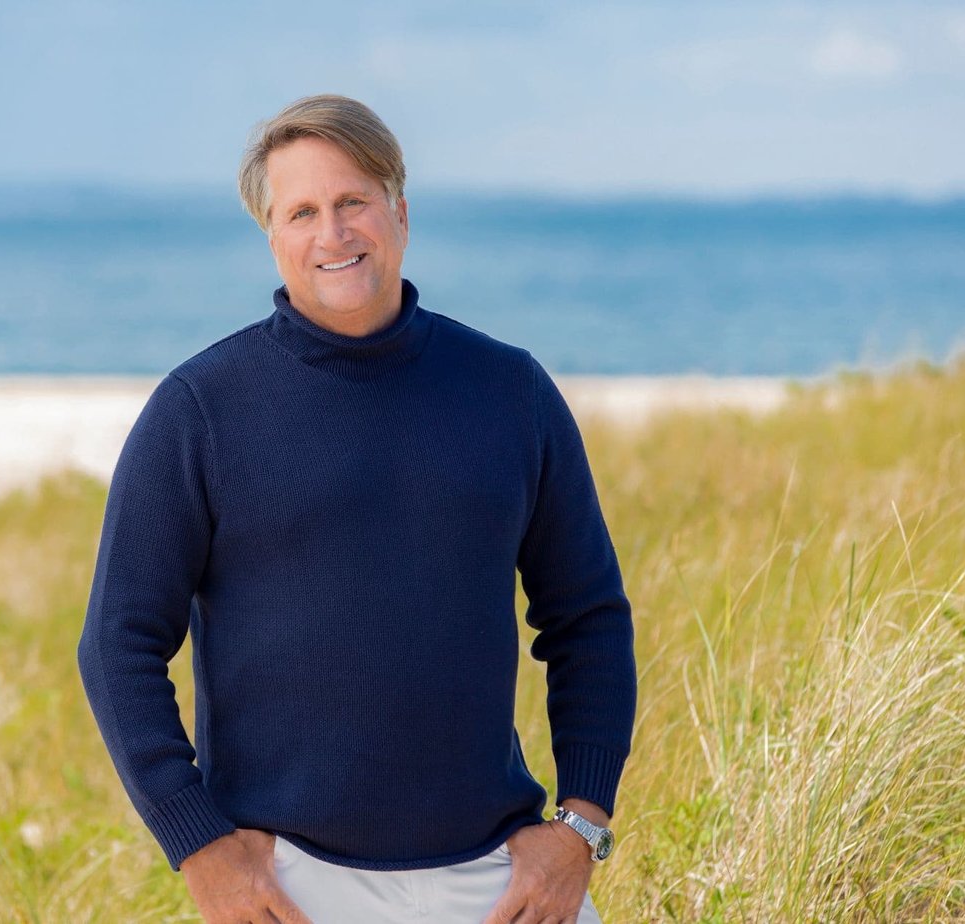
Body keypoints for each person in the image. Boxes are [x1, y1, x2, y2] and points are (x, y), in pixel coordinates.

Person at [77, 94, 636, 923]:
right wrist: (201, 847)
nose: (331, 234)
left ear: (399, 212)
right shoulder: (200, 410)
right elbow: (117, 645)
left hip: (500, 879)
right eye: (301, 211)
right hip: (289, 885)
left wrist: (579, 826)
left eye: (352, 203)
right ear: (272, 235)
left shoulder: (509, 392)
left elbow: (587, 619)